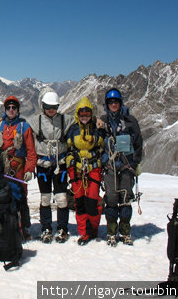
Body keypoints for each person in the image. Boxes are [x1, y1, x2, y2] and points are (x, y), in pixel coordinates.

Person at [97, 88, 143, 246]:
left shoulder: (130, 121)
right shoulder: (103, 121)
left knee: (125, 200)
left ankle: (124, 232)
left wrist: (135, 163)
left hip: (126, 167)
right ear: (107, 104)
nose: (113, 104)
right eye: (110, 102)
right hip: (110, 168)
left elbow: (138, 144)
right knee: (111, 201)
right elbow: (98, 143)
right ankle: (111, 232)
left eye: (116, 101)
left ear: (120, 102)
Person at [27, 90, 73, 243]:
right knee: (45, 198)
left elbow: (83, 119)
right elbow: (21, 124)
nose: (51, 109)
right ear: (43, 106)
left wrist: (99, 121)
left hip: (59, 163)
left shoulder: (65, 120)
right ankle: (46, 227)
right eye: (48, 106)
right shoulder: (36, 121)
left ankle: (62, 228)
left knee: (61, 198)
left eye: (53, 106)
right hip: (43, 165)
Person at [0, 96, 37, 241]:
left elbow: (31, 150)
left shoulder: (24, 127)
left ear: (18, 110)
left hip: (18, 167)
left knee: (20, 197)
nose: (11, 110)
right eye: (8, 108)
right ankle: (5, 226)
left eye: (14, 108)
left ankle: (23, 227)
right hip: (2, 167)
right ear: (5, 110)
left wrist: (30, 169)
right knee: (2, 197)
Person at [66, 97, 104, 246]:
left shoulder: (97, 129)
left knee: (92, 200)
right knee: (79, 201)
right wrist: (70, 162)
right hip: (76, 169)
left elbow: (103, 147)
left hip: (93, 169)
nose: (84, 117)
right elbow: (68, 148)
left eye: (87, 114)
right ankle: (84, 231)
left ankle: (93, 229)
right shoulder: (73, 129)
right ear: (77, 114)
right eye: (82, 114)